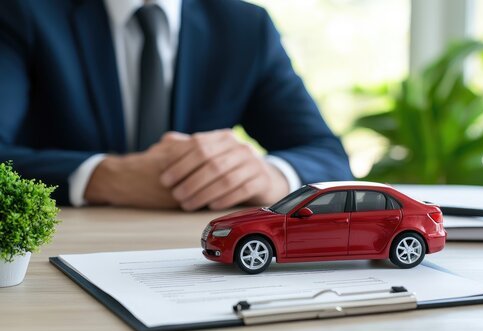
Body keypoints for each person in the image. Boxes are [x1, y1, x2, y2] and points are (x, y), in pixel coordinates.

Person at [0, 0, 353, 210]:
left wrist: (268, 175)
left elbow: (328, 156)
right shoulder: (21, 12)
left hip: (193, 257)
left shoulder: (244, 26)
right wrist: (101, 177)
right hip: (60, 253)